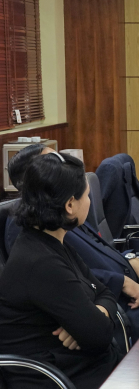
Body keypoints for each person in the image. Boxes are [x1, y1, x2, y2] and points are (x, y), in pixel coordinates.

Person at [5, 144, 139, 343]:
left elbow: (97, 265)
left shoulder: (59, 226)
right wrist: (86, 317)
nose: (90, 200)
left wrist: (128, 258)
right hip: (118, 309)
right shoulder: (35, 232)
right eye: (53, 161)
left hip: (118, 296)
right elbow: (62, 289)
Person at [0, 153, 121, 388]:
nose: (90, 201)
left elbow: (104, 292)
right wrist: (95, 319)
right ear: (70, 205)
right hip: (58, 376)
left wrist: (99, 311)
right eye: (87, 196)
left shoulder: (49, 241)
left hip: (81, 364)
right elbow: (100, 336)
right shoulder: (40, 262)